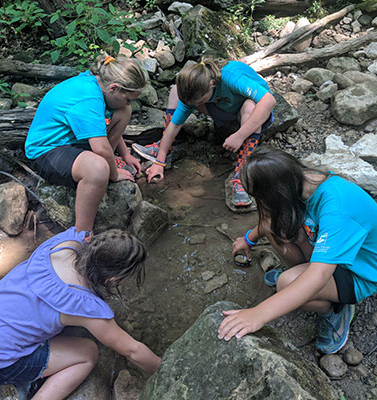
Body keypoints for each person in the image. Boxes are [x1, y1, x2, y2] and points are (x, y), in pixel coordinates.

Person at [218, 146, 377, 354]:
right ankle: (301, 283)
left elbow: (318, 275)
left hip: (361, 272)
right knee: (270, 224)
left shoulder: (336, 207)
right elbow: (268, 220)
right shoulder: (302, 182)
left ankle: (336, 310)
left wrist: (258, 314)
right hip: (336, 254)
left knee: (286, 284)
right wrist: (248, 239)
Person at [0, 227, 161, 400]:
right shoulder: (85, 307)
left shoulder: (64, 244)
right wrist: (166, 369)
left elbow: (82, 230)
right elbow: (132, 350)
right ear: (113, 279)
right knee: (88, 353)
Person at [25, 54, 146, 233]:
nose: (130, 102)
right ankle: (82, 233)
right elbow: (100, 147)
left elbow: (99, 129)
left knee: (123, 111)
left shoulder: (96, 84)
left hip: (72, 141)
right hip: (46, 151)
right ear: (114, 88)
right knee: (98, 169)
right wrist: (113, 174)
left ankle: (106, 166)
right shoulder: (88, 99)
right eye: (129, 98)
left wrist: (125, 154)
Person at [132, 57, 276, 207]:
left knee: (250, 106)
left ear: (211, 85)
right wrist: (159, 162)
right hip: (224, 112)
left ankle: (241, 177)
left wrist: (240, 136)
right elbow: (174, 125)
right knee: (175, 91)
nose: (195, 105)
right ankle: (164, 146)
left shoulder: (231, 76)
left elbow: (269, 101)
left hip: (253, 117)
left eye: (198, 101)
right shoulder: (195, 91)